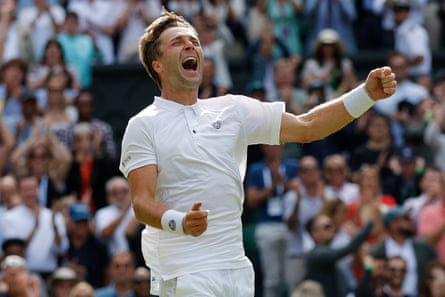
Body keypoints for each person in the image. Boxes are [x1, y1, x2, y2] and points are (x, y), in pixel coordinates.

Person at [119, 9, 397, 297]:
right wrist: (180, 222)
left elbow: (308, 126)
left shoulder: (234, 109)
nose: (191, 46)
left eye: (194, 41)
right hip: (183, 273)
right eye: (178, 42)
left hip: (236, 272)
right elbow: (141, 203)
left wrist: (366, 94)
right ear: (158, 65)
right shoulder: (143, 125)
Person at [369, 206, 437, 297]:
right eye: (406, 219)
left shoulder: (424, 248)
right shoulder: (377, 251)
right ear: (393, 224)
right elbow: (369, 280)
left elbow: (437, 271)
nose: (411, 222)